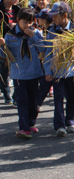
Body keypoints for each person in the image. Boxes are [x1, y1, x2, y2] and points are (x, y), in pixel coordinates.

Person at [0, 8, 44, 139]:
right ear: (18, 20)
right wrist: (2, 46)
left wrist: (33, 36)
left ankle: (30, 123)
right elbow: (5, 56)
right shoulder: (10, 35)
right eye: (25, 22)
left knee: (33, 101)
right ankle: (24, 128)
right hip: (18, 74)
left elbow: (43, 48)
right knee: (22, 101)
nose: (28, 25)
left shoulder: (36, 33)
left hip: (34, 73)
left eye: (30, 22)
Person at [43, 2, 74, 137]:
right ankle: (59, 125)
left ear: (64, 15)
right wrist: (48, 71)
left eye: (55, 16)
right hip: (57, 70)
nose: (53, 19)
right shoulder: (51, 31)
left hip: (72, 70)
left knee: (71, 97)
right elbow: (48, 53)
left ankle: (71, 121)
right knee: (58, 98)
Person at [0, 0, 20, 105]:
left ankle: (16, 95)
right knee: (3, 69)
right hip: (2, 44)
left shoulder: (18, 9)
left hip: (17, 43)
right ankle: (6, 92)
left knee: (18, 68)